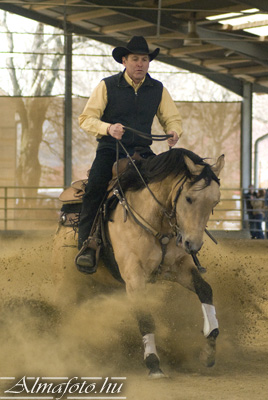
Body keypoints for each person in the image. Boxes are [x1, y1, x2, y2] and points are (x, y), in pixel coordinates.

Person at [76, 36, 183, 274]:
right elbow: (86, 118)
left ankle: (181, 246)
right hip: (110, 150)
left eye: (144, 59)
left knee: (171, 189)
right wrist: (108, 128)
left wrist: (174, 131)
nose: (140, 64)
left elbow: (171, 117)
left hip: (143, 152)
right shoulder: (107, 86)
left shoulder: (158, 89)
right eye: (135, 59)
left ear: (148, 63)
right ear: (124, 61)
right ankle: (87, 246)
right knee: (94, 189)